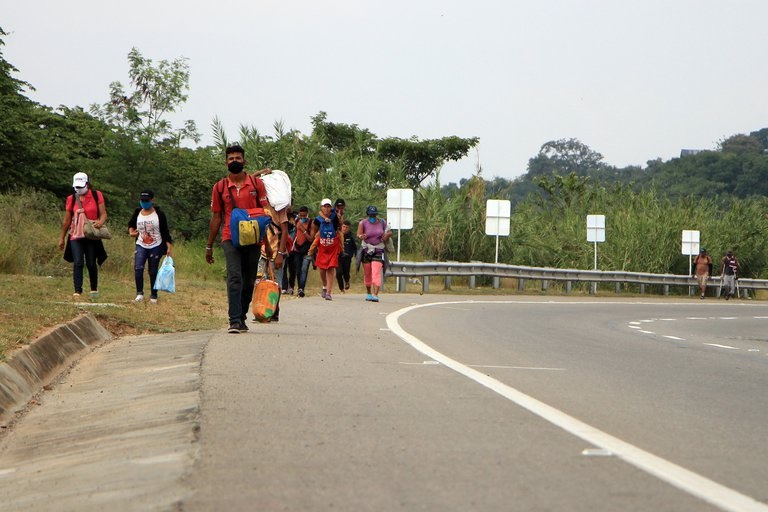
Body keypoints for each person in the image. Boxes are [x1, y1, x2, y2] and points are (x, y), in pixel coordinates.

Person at [206, 144, 288, 334]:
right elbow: (216, 217)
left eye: (238, 158)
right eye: (231, 159)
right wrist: (209, 246)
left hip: (254, 239)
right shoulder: (219, 188)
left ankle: (241, 316)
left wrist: (267, 243)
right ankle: (234, 320)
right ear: (226, 162)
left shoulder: (256, 185)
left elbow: (264, 215)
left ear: (244, 161)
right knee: (234, 277)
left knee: (249, 280)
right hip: (230, 238)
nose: (234, 161)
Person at [59, 172, 108, 301]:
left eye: (81, 186)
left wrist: (100, 222)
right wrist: (62, 238)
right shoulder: (71, 198)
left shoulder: (97, 195)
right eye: (76, 187)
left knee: (91, 262)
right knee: (78, 262)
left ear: (87, 184)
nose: (78, 189)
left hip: (91, 234)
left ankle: (94, 289)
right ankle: (77, 290)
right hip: (75, 235)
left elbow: (103, 214)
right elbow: (67, 219)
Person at [128, 189, 173, 304]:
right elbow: (131, 226)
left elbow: (165, 231)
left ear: (152, 200)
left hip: (156, 245)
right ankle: (139, 294)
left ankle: (154, 295)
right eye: (142, 200)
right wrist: (132, 232)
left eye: (146, 200)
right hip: (140, 244)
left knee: (153, 271)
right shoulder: (137, 212)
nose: (144, 202)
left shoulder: (159, 214)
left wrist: (168, 247)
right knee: (138, 268)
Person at [357, 205, 392, 302]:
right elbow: (358, 234)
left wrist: (387, 235)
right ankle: (368, 292)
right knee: (368, 273)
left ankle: (375, 294)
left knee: (376, 272)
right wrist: (362, 236)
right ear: (367, 215)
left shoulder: (382, 222)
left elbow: (390, 232)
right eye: (370, 215)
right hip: (367, 250)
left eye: (374, 215)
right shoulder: (363, 223)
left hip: (378, 249)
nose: (372, 217)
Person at [310, 198, 341, 300]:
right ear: (321, 207)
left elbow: (340, 226)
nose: (327, 209)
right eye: (325, 206)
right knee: (322, 269)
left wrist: (340, 218)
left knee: (331, 268)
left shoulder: (334, 216)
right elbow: (313, 231)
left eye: (328, 206)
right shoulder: (318, 219)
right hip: (322, 247)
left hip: (333, 246)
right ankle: (324, 285)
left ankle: (329, 292)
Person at [290, 206, 312, 297]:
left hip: (307, 250)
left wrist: (303, 230)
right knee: (298, 269)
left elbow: (311, 239)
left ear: (307, 214)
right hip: (297, 249)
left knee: (304, 269)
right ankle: (299, 289)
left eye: (304, 216)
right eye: (301, 216)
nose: (302, 218)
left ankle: (301, 288)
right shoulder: (296, 221)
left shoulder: (311, 223)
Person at [336, 219, 356, 292]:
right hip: (338, 256)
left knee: (346, 272)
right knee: (339, 272)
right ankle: (341, 288)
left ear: (349, 228)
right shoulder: (337, 234)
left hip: (347, 257)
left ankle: (347, 281)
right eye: (343, 227)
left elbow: (354, 247)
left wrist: (352, 255)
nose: (345, 229)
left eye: (347, 227)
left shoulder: (351, 236)